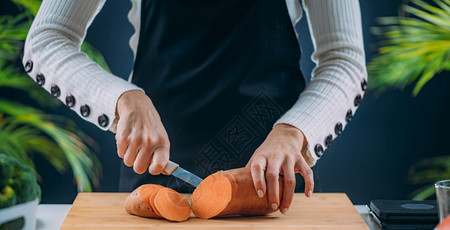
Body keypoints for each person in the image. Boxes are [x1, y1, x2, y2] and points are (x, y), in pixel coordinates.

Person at [23, 0, 367, 214]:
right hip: (157, 175)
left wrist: (295, 133)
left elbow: (344, 60)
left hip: (274, 186)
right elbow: (47, 41)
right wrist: (122, 99)